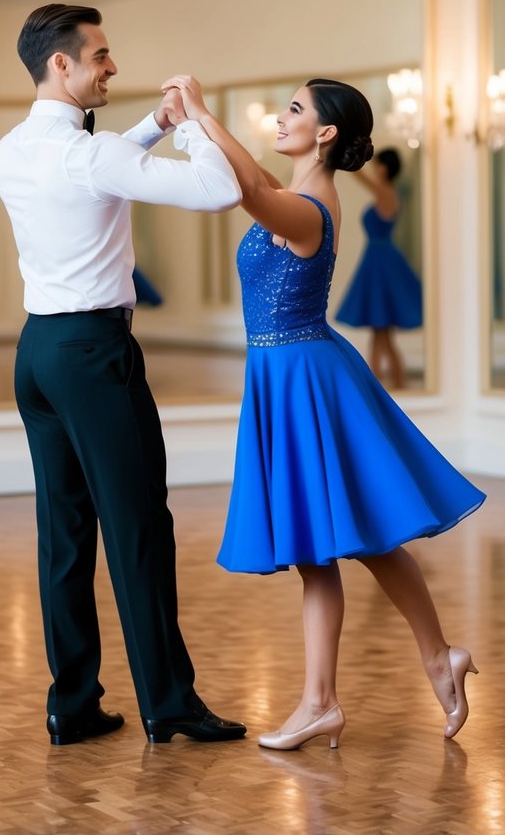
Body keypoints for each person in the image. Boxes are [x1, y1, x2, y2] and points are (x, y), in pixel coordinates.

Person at [163, 73, 486, 750]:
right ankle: (393, 673)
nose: (279, 121)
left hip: (303, 377)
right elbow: (252, 176)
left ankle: (334, 695)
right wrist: (200, 120)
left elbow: (246, 188)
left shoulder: (309, 207)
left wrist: (196, 116)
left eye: (293, 111)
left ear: (326, 132)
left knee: (344, 541)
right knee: (349, 541)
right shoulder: (300, 194)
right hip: (288, 373)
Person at [0, 4, 246, 748]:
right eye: (100, 55)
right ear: (61, 64)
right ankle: (169, 704)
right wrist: (196, 120)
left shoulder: (16, 147)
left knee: (64, 532)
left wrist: (154, 127)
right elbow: (217, 189)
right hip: (94, 355)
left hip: (38, 355)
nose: (111, 66)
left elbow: (98, 168)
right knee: (138, 529)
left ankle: (71, 703)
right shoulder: (87, 157)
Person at [335, 147, 422, 388]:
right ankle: (385, 386)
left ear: (384, 169)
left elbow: (359, 176)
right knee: (380, 335)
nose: (374, 170)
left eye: (377, 165)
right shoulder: (389, 193)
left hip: (380, 263)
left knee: (382, 334)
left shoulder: (386, 192)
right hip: (379, 261)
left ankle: (388, 387)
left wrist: (346, 150)